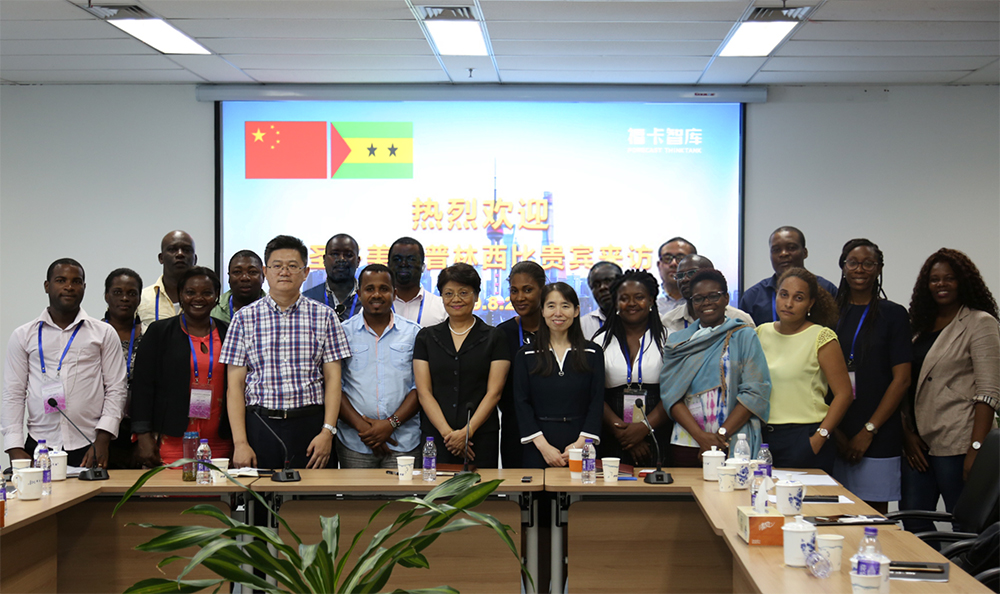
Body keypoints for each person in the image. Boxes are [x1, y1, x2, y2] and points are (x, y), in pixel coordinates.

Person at [220, 235, 351, 470]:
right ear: (265, 271)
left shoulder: (325, 316)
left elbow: (333, 380)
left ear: (305, 272)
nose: (284, 272)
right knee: (260, 494)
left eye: (292, 266)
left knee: (315, 494)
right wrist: (240, 443)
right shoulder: (243, 319)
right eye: (277, 266)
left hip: (311, 426)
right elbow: (235, 386)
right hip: (260, 425)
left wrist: (327, 432)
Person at [901, 248, 999, 533]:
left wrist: (976, 449)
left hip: (959, 441)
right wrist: (906, 435)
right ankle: (932, 563)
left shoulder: (980, 322)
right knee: (913, 520)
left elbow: (989, 391)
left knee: (966, 526)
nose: (941, 284)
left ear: (963, 282)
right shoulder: (918, 326)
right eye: (934, 279)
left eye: (949, 278)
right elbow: (906, 383)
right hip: (918, 444)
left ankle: (962, 565)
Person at [2, 258, 128, 468]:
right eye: (61, 280)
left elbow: (116, 388)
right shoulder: (23, 335)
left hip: (90, 445)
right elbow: (13, 393)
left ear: (84, 287)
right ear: (47, 286)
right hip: (39, 444)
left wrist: (103, 438)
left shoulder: (103, 333)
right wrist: (14, 447)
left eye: (76, 281)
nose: (69, 287)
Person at [830, 239, 912, 513]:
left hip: (879, 434)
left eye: (868, 263)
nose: (860, 269)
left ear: (879, 269)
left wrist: (868, 431)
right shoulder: (829, 313)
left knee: (872, 520)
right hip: (833, 431)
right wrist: (835, 432)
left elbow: (902, 379)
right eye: (853, 262)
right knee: (830, 515)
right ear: (843, 267)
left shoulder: (894, 315)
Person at [660, 270, 770, 467]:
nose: (706, 303)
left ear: (726, 298)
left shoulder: (744, 336)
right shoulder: (678, 342)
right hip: (687, 441)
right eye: (699, 298)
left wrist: (720, 436)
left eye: (713, 296)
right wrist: (701, 437)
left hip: (733, 441)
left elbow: (754, 392)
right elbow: (671, 395)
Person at [131, 267, 232, 466]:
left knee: (217, 487)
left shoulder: (228, 332)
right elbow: (142, 387)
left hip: (220, 439)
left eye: (207, 293)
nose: (198, 298)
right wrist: (143, 436)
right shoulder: (160, 332)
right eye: (190, 292)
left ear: (216, 297)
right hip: (172, 438)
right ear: (180, 295)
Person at [756, 267, 853, 473]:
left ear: (810, 303)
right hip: (764, 438)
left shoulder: (821, 337)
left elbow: (844, 394)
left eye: (798, 298)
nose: (789, 303)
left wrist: (820, 437)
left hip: (805, 437)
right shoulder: (761, 332)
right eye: (784, 295)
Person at [413, 263, 510, 468]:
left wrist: (467, 433)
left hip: (480, 438)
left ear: (476, 296)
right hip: (436, 438)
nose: (456, 299)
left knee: (482, 488)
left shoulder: (495, 337)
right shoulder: (426, 338)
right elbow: (424, 393)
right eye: (449, 293)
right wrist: (450, 436)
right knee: (435, 489)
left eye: (463, 292)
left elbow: (494, 393)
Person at [336, 264, 423, 468]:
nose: (377, 294)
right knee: (356, 492)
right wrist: (366, 430)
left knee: (404, 492)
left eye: (384, 289)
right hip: (355, 442)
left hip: (404, 442)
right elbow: (334, 387)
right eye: (369, 289)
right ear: (359, 294)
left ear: (394, 293)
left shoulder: (414, 333)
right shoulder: (342, 333)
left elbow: (420, 387)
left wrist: (390, 424)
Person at [513, 283, 605, 468]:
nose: (558, 313)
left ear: (576, 311)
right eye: (551, 306)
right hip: (539, 445)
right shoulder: (526, 355)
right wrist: (543, 446)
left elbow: (597, 401)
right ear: (542, 311)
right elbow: (521, 403)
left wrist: (580, 445)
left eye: (565, 306)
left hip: (581, 442)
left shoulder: (592, 352)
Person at [595, 270, 669, 466]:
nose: (632, 303)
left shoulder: (670, 339)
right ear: (616, 303)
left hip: (657, 431)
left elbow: (675, 393)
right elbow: (593, 395)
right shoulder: (599, 342)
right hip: (613, 432)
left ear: (651, 300)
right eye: (624, 298)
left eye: (639, 297)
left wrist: (644, 428)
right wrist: (622, 433)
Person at [497, 261, 546, 468]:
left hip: (552, 426)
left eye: (527, 290)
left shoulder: (557, 330)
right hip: (515, 428)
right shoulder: (502, 333)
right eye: (514, 291)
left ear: (542, 290)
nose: (519, 297)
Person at [739, 226, 838, 326]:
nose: (783, 254)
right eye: (776, 250)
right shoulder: (753, 297)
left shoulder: (827, 289)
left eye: (791, 248)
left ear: (805, 253)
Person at [102, 268, 144, 469]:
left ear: (139, 298)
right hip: (98, 429)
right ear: (106, 296)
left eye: (132, 293)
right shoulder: (92, 336)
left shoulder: (151, 337)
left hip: (138, 429)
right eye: (117, 292)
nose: (125, 298)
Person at [661, 254, 754, 335]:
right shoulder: (668, 321)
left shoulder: (740, 319)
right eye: (680, 276)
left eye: (692, 273)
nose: (684, 280)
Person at [138, 230, 197, 330]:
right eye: (172, 249)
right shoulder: (142, 299)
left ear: (195, 259)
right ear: (161, 258)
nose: (180, 254)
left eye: (186, 250)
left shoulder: (206, 302)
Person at [387, 236, 447, 327]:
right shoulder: (375, 306)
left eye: (411, 259)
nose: (403, 264)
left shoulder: (442, 307)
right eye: (397, 259)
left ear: (423, 267)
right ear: (388, 266)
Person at [304, 233, 361, 322]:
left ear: (358, 261)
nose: (341, 259)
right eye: (335, 254)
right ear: (324, 260)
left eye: (348, 255)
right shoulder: (307, 299)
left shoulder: (369, 299)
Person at [211, 250, 266, 323]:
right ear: (229, 278)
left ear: (263, 276)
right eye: (237, 272)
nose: (245, 278)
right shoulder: (213, 309)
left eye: (252, 272)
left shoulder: (276, 308)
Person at [580, 261, 623, 340]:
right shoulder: (582, 326)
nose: (602, 288)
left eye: (608, 281)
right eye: (596, 285)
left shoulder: (639, 321)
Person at [656, 237, 697, 314]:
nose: (673, 263)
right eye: (667, 258)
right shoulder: (649, 301)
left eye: (681, 258)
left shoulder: (704, 301)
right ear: (659, 265)